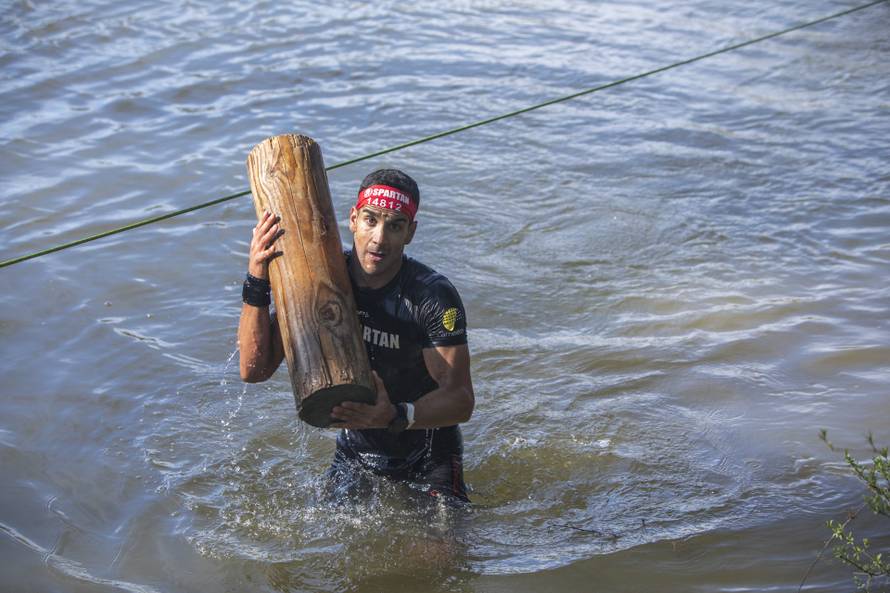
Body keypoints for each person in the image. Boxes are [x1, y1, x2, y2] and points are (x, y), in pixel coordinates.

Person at [237, 169, 475, 504]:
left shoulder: (430, 296)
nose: (379, 238)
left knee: (440, 556)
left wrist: (395, 415)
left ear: (411, 233)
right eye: (371, 220)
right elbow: (254, 370)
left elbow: (462, 400)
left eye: (395, 225)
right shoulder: (324, 279)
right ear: (353, 219)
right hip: (356, 453)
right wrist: (257, 279)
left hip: (428, 452)